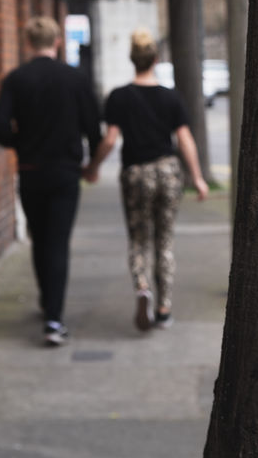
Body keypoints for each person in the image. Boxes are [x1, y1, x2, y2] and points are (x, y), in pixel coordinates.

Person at [83, 28, 208, 332]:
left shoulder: (119, 96)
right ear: (155, 58)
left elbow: (111, 139)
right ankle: (164, 308)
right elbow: (184, 139)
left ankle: (142, 287)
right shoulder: (170, 97)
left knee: (139, 239)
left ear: (132, 60)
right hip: (167, 171)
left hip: (136, 174)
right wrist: (197, 177)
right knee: (164, 241)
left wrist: (93, 167)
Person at [0, 15, 101, 347]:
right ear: (57, 42)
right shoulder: (76, 79)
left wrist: (20, 143)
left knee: (41, 240)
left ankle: (46, 301)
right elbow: (93, 129)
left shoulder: (16, 79)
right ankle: (54, 318)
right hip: (66, 174)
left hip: (30, 171)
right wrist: (91, 164)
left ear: (28, 43)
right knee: (58, 243)